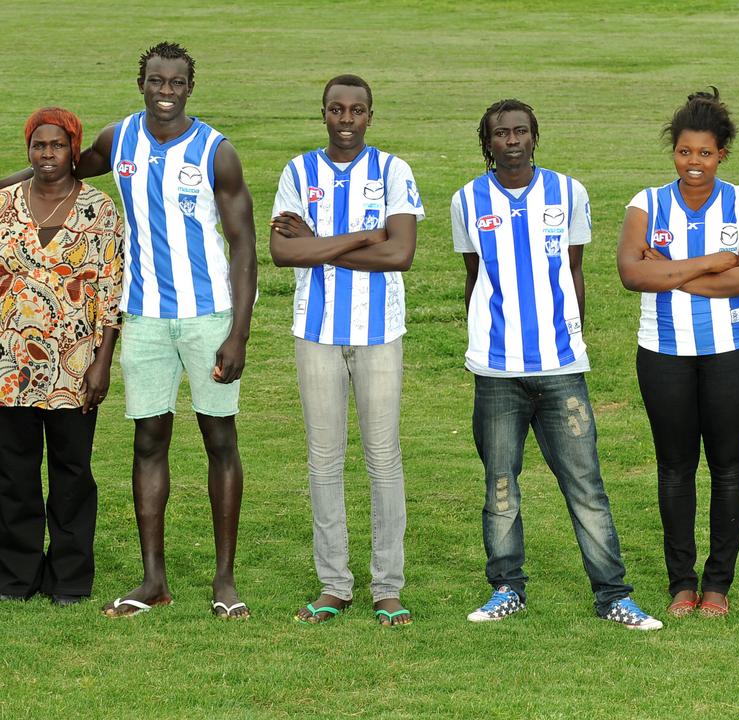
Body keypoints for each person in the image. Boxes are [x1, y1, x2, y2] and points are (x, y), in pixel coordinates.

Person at [0, 42, 259, 618]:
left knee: (220, 440)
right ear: (140, 83)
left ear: (190, 87)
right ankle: (153, 582)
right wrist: (5, 185)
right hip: (141, 316)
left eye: (176, 83)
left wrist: (238, 331)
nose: (165, 92)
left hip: (207, 315)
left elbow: (243, 246)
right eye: (155, 81)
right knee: (148, 442)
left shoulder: (217, 152)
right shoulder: (120, 141)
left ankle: (224, 582)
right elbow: (63, 167)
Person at [452, 98, 661, 630]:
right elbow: (474, 277)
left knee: (585, 485)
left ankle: (614, 595)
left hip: (561, 366)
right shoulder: (467, 200)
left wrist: (571, 337)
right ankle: (506, 588)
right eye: (501, 133)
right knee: (501, 486)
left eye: (521, 131)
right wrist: (482, 340)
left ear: (535, 136)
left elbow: (574, 270)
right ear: (488, 141)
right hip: (497, 370)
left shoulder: (568, 193)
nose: (512, 141)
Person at [269, 75, 422, 627]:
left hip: (380, 331)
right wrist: (363, 236)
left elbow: (400, 253)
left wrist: (321, 243)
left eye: (357, 110)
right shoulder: (297, 171)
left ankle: (387, 587)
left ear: (370, 116)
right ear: (324, 114)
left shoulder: (393, 171)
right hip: (316, 332)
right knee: (324, 460)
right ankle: (334, 584)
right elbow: (284, 254)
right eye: (337, 109)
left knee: (384, 460)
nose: (347, 119)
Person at [617, 89, 739, 619]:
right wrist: (710, 263)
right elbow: (632, 273)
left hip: (734, 352)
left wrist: (672, 273)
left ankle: (718, 584)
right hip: (663, 352)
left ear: (721, 155)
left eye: (704, 154)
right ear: (674, 152)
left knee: (729, 467)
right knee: (675, 468)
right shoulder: (647, 203)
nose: (693, 164)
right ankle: (681, 582)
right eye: (685, 152)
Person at [0, 108, 121, 606]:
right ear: (28, 151)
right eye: (39, 146)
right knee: (14, 477)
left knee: (72, 475)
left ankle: (69, 580)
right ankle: (16, 576)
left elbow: (111, 294)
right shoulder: (5, 204)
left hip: (75, 366)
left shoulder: (99, 209)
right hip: (11, 366)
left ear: (75, 149)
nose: (48, 155)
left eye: (58, 146)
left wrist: (102, 362)